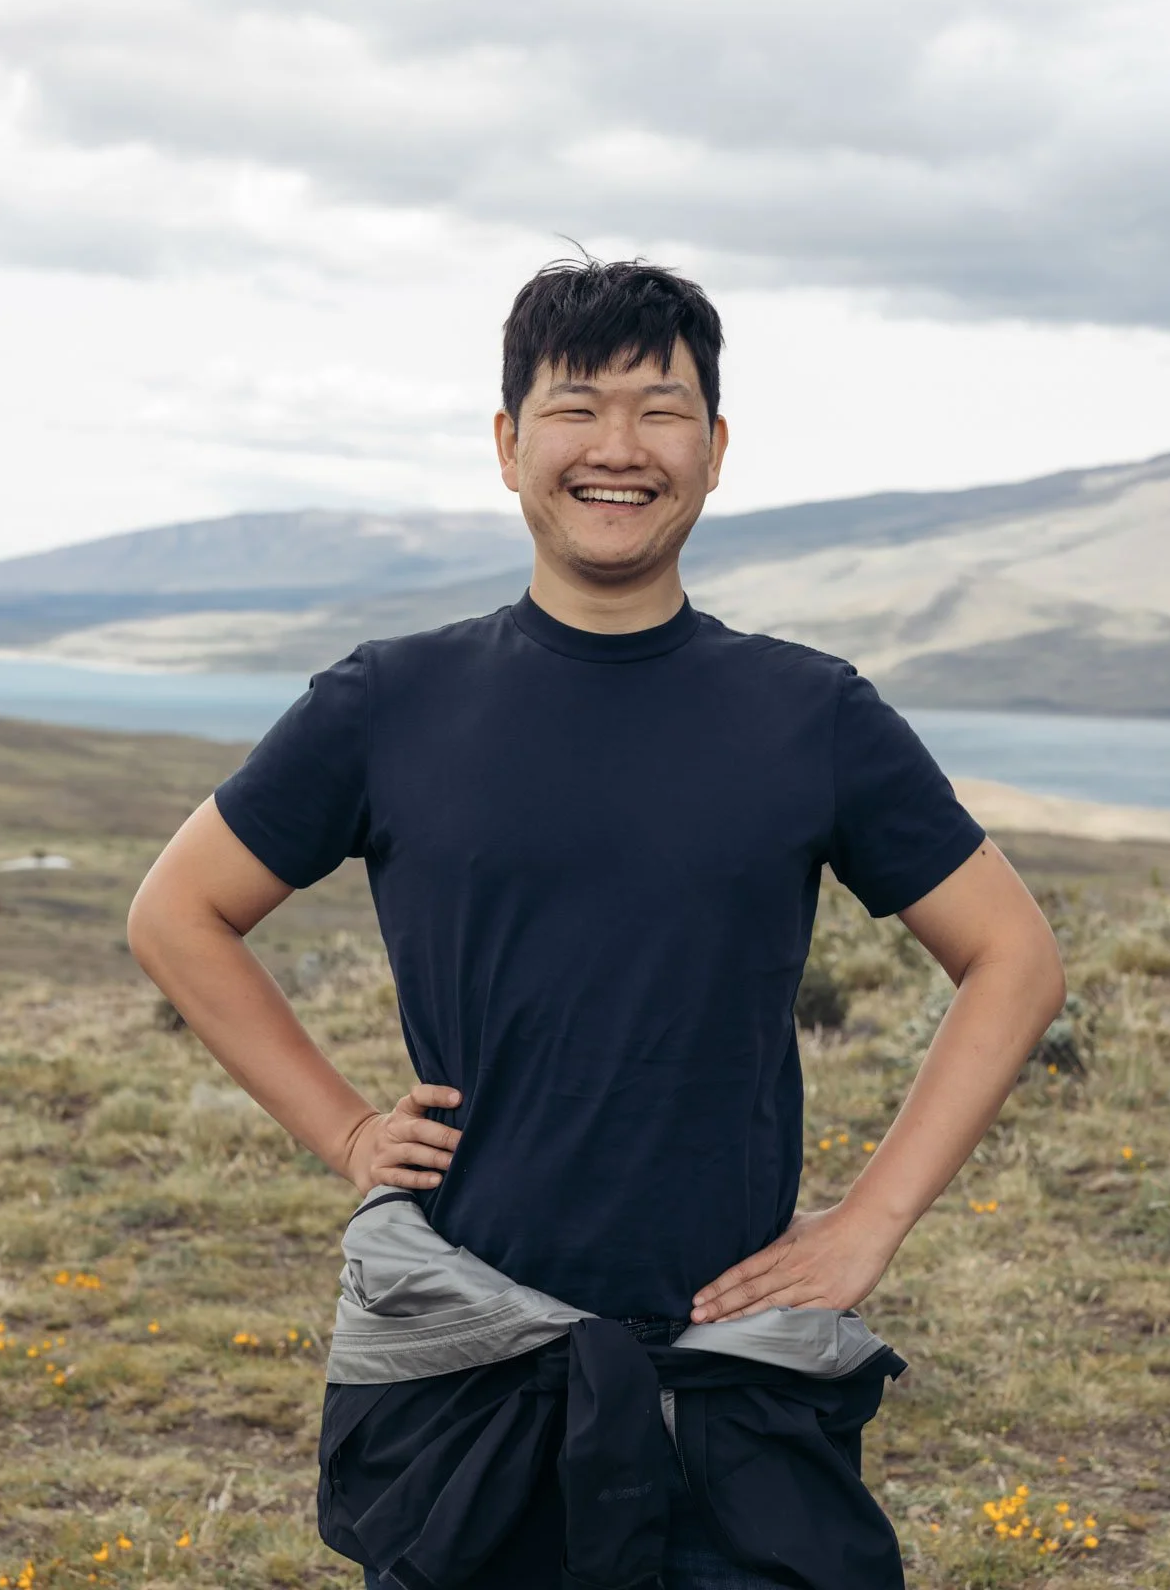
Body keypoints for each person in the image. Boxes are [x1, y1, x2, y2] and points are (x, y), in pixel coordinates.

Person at [127, 256, 1066, 1589]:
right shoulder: (391, 702)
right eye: (575, 408)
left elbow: (1014, 957)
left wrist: (873, 1223)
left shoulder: (811, 713)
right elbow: (178, 912)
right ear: (508, 444)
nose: (618, 448)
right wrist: (344, 1131)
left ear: (715, 450)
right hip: (471, 1370)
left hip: (733, 1382)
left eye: (661, 410)